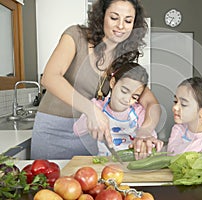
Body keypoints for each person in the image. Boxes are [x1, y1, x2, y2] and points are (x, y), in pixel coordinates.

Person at [31, 0, 161, 160]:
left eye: (128, 21)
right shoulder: (76, 36)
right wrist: (90, 110)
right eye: (114, 18)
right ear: (102, 17)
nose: (121, 26)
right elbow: (50, 78)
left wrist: (145, 131)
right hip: (53, 131)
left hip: (91, 136)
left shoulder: (122, 60)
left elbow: (151, 103)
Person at [73, 62, 163, 156]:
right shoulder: (97, 106)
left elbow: (150, 138)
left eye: (134, 97)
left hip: (131, 163)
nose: (127, 99)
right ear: (112, 83)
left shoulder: (138, 112)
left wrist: (147, 143)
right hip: (104, 162)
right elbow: (77, 130)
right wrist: (91, 116)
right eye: (124, 91)